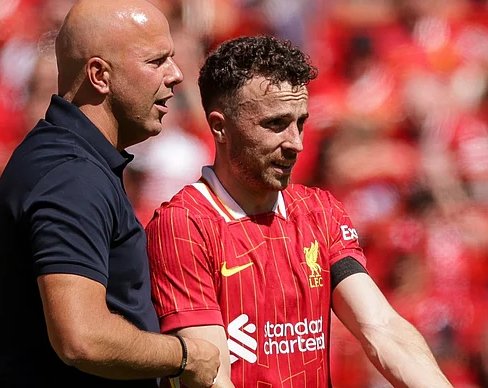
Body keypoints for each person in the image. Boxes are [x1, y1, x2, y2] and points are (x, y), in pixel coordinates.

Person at [145, 35, 453, 387]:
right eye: (275, 124)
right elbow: (208, 374)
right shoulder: (184, 224)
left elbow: (381, 328)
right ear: (220, 127)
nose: (297, 143)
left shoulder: (320, 212)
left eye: (300, 122)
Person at [0, 0, 220, 388]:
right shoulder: (71, 175)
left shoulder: (73, 161)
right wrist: (185, 356)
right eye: (157, 60)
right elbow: (82, 338)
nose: (175, 74)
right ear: (100, 75)